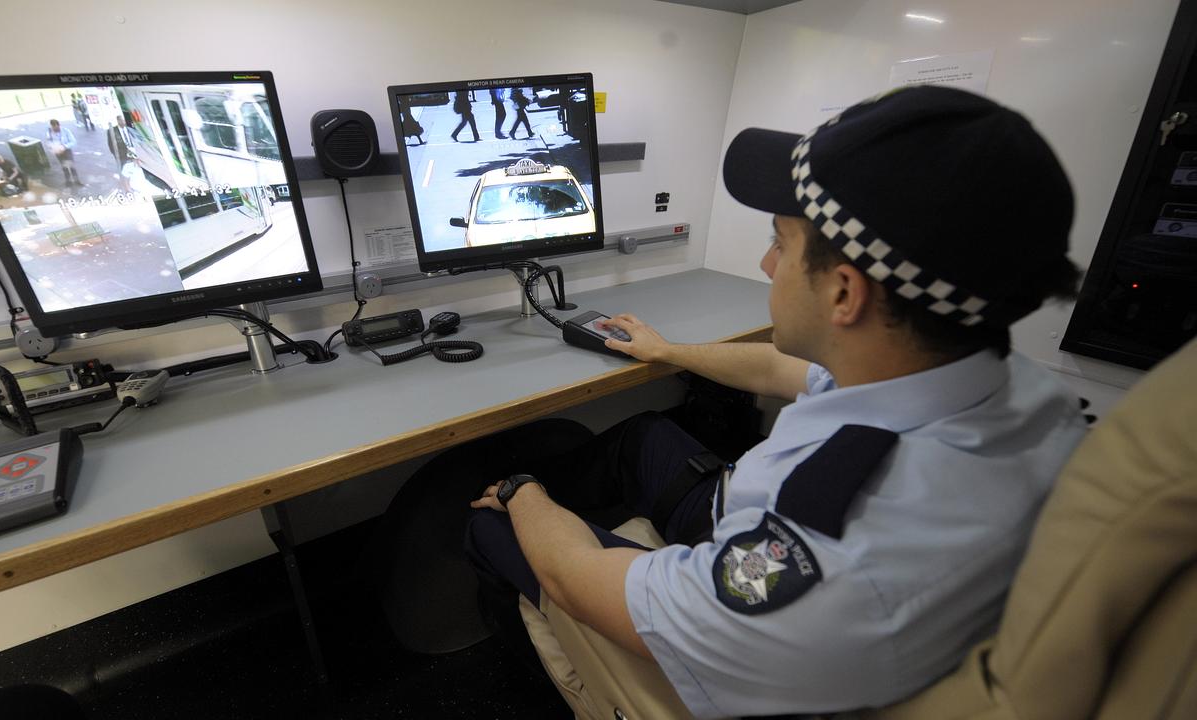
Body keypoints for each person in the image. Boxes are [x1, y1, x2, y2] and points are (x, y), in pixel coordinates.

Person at [464, 85, 1089, 719]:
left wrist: (525, 495)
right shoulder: (1015, 389)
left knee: (492, 522)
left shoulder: (831, 541)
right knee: (643, 434)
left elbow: (577, 578)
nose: (766, 265)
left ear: (845, 294)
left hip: (732, 620)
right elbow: (774, 365)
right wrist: (669, 352)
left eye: (781, 244)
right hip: (760, 533)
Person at [46, 119, 82, 187]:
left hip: (66, 150)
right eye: (53, 128)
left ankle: (77, 180)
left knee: (71, 166)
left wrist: (64, 146)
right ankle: (68, 181)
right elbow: (49, 142)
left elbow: (73, 141)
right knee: (64, 167)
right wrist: (54, 148)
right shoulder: (49, 132)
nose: (55, 129)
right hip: (58, 152)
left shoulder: (66, 131)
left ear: (59, 125)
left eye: (56, 127)